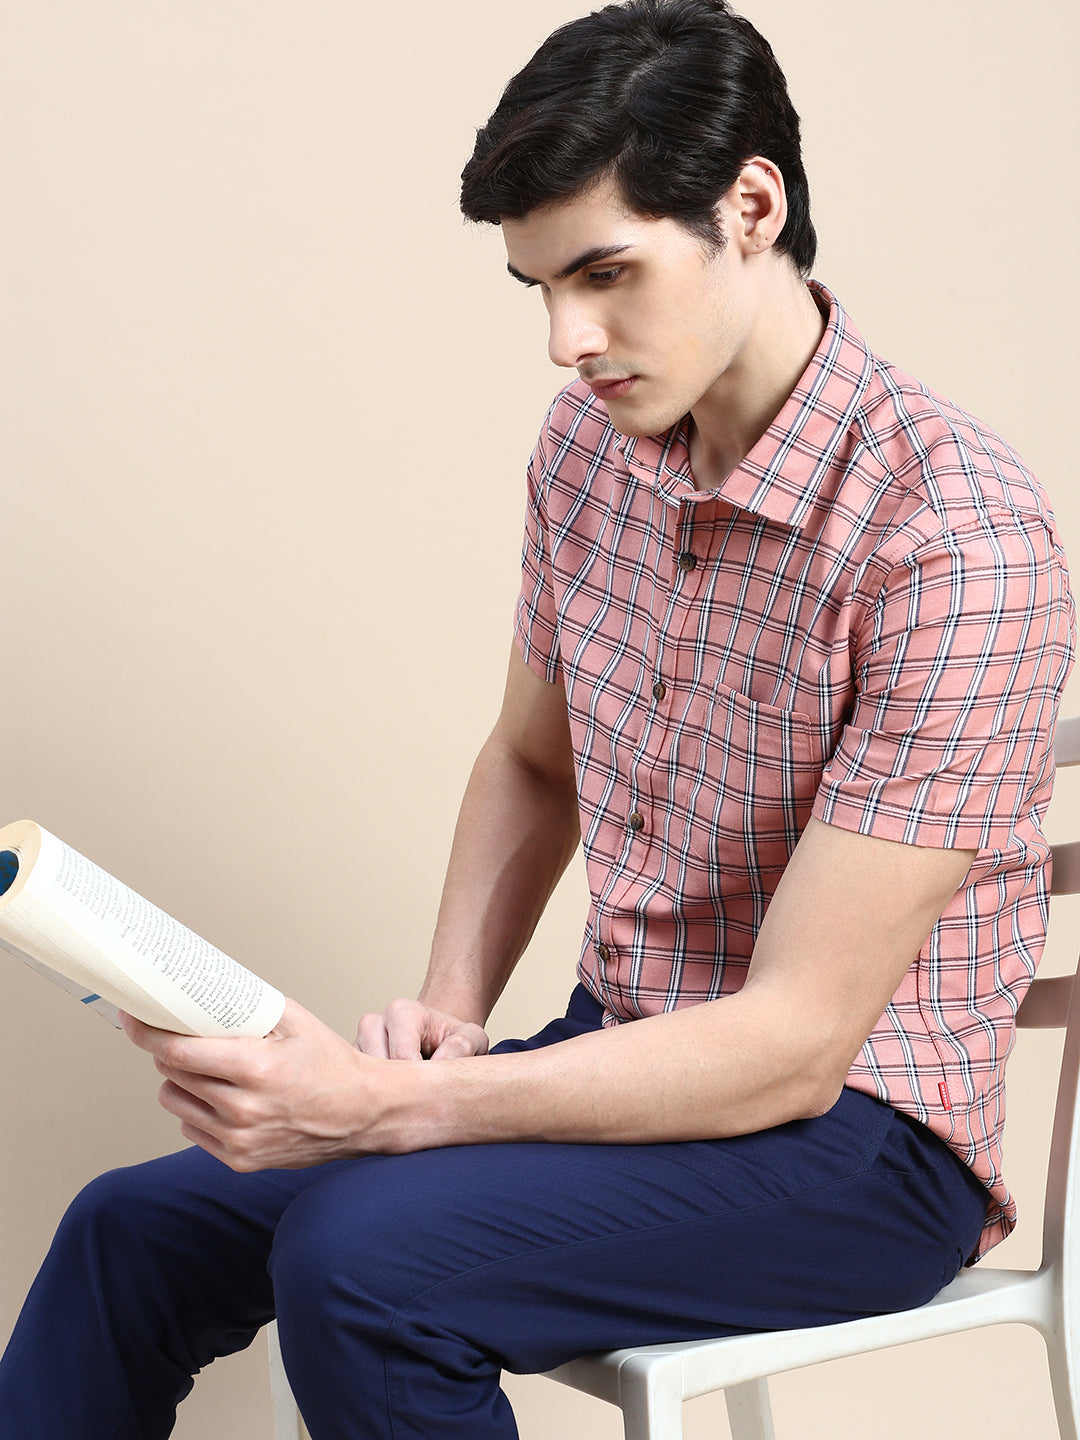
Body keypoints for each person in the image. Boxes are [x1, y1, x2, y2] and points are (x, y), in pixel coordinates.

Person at [0, 1, 1074, 1436]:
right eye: (538, 288)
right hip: (614, 1056)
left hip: (859, 1146)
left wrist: (384, 1115)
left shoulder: (957, 543)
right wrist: (441, 1023)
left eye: (607, 274)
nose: (569, 340)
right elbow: (530, 756)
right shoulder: (594, 449)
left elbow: (797, 1044)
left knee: (362, 1264)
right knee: (129, 1232)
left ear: (753, 205)